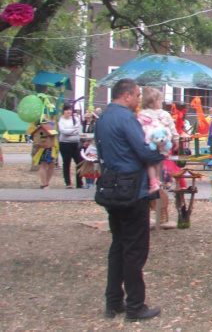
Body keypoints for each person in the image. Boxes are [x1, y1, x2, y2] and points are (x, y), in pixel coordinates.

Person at [97, 78, 164, 322]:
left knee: (118, 246)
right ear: (126, 95)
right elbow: (143, 149)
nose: (138, 100)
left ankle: (113, 301)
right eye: (136, 95)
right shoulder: (126, 118)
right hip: (132, 190)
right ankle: (135, 306)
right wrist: (161, 150)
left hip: (111, 187)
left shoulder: (103, 117)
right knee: (135, 249)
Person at [137, 87, 180, 194]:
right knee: (157, 161)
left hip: (150, 141)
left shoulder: (142, 114)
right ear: (156, 101)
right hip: (164, 142)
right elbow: (172, 127)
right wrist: (176, 140)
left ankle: (154, 181)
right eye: (160, 100)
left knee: (150, 163)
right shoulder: (164, 114)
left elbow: (137, 127)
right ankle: (157, 179)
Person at [58, 103, 83, 188]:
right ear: (64, 111)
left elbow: (78, 129)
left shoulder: (75, 119)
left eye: (70, 110)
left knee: (79, 162)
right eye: (67, 110)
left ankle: (79, 183)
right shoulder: (61, 120)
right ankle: (68, 183)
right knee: (67, 163)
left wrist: (71, 132)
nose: (69, 111)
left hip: (75, 143)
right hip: (65, 144)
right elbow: (63, 131)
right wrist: (72, 131)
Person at [32, 122, 58, 189]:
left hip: (52, 149)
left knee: (51, 165)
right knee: (43, 165)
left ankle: (47, 182)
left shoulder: (52, 127)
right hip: (43, 150)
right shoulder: (41, 128)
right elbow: (36, 138)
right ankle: (44, 183)